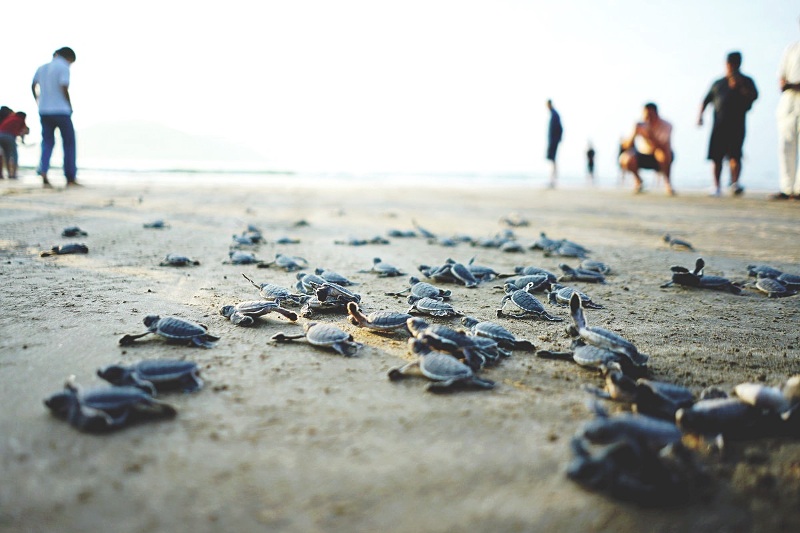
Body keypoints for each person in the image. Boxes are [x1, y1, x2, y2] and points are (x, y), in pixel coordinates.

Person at [698, 51, 758, 197]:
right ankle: (716, 186)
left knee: (735, 155)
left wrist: (740, 87)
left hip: (737, 123)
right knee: (716, 156)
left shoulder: (746, 81)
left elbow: (753, 97)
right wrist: (699, 116)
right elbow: (705, 100)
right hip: (719, 124)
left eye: (734, 64)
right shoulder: (718, 83)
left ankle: (735, 183)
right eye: (729, 63)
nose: (731, 66)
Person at [31, 46, 78, 188]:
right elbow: (64, 87)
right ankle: (70, 177)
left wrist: (38, 100)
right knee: (69, 143)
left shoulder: (42, 68)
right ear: (68, 58)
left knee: (47, 142)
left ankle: (43, 170)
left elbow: (33, 85)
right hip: (61, 110)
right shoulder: (63, 67)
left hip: (44, 110)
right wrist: (69, 105)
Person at [619, 102, 675, 195]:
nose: (647, 118)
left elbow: (664, 146)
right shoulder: (639, 125)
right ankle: (638, 181)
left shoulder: (666, 125)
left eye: (650, 115)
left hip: (660, 156)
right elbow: (627, 146)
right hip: (643, 155)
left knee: (662, 154)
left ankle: (667, 183)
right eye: (645, 115)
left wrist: (650, 135)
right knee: (625, 158)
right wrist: (634, 133)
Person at [776, 18, 800, 200]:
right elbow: (781, 78)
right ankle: (787, 187)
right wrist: (787, 84)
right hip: (788, 101)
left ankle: (799, 189)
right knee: (785, 143)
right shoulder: (792, 48)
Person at [0, 111, 30, 180]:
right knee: (14, 155)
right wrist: (23, 140)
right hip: (10, 136)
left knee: (5, 155)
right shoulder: (21, 119)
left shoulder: (10, 118)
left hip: (1, 134)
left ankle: (3, 174)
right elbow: (25, 131)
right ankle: (13, 174)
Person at [546, 99, 563, 188]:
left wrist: (558, 139)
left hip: (553, 141)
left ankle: (554, 179)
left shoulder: (555, 114)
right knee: (552, 160)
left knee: (553, 160)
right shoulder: (553, 114)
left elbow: (560, 128)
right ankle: (553, 179)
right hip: (553, 141)